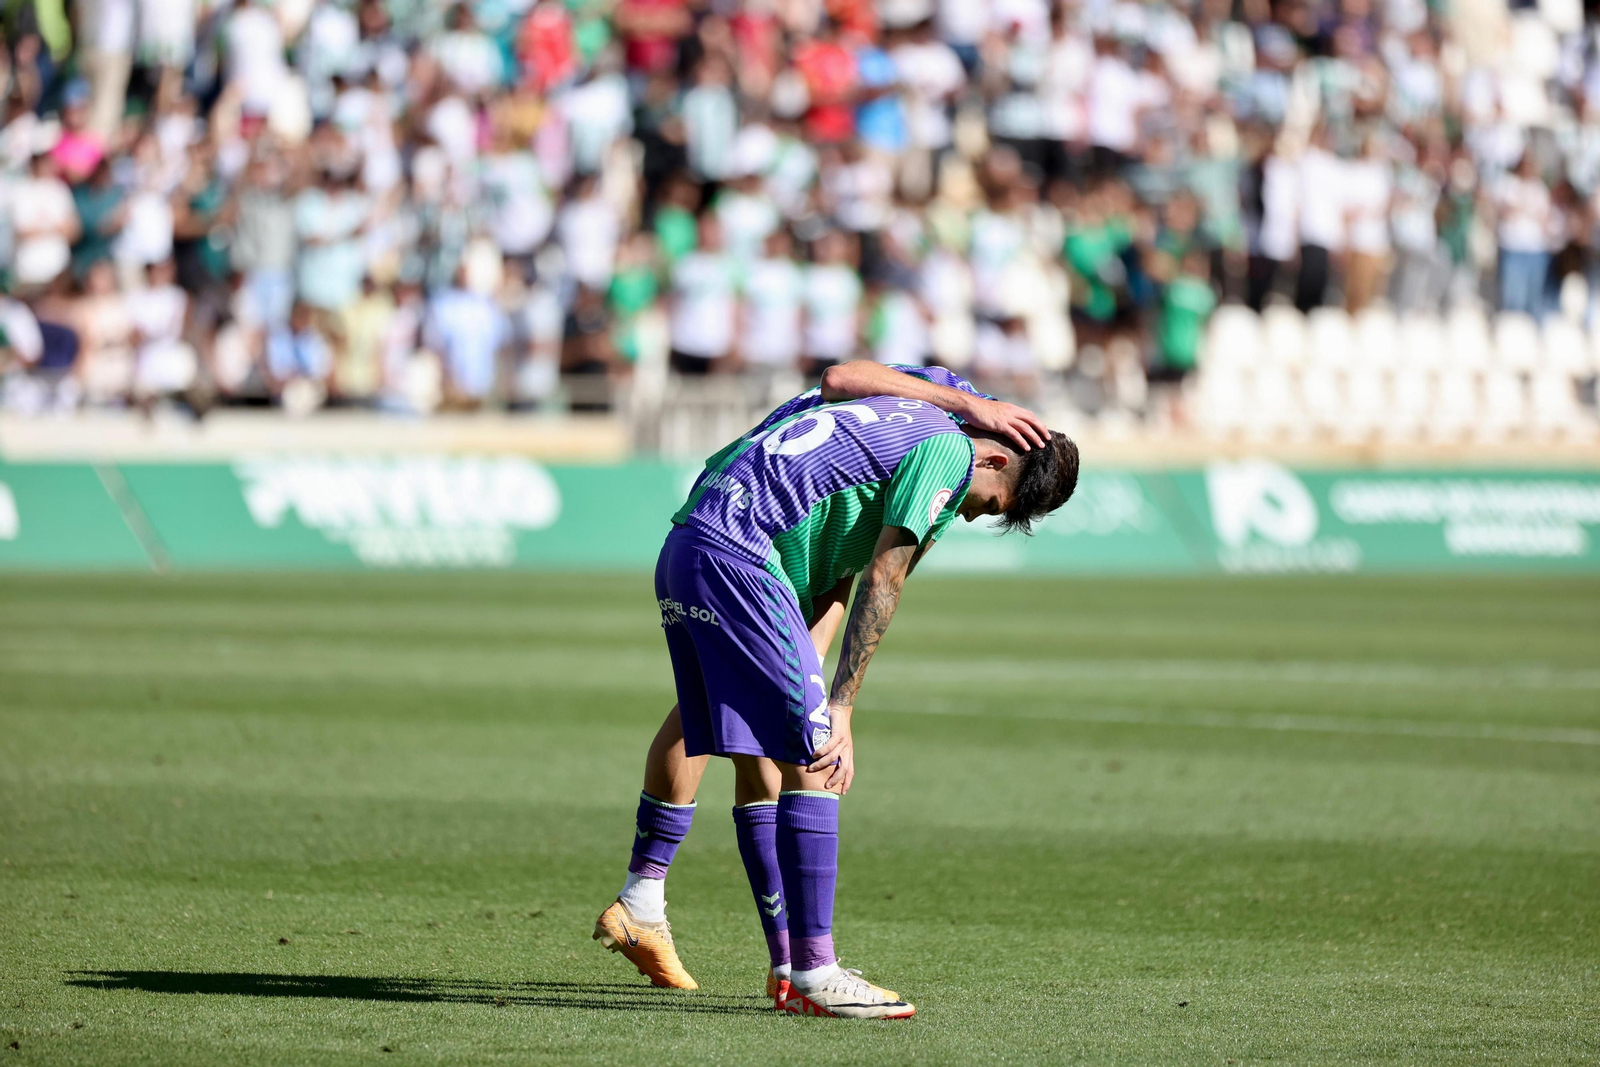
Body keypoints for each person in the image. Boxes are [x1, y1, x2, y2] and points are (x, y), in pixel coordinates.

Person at [593, 360, 1078, 1018]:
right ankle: (816, 970)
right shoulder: (950, 449)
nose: (971, 515)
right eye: (989, 503)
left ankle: (735, 942)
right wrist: (839, 706)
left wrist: (811, 681)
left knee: (741, 734)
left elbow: (844, 559)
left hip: (696, 538)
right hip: (745, 551)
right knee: (817, 751)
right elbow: (884, 576)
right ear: (994, 454)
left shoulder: (931, 408)